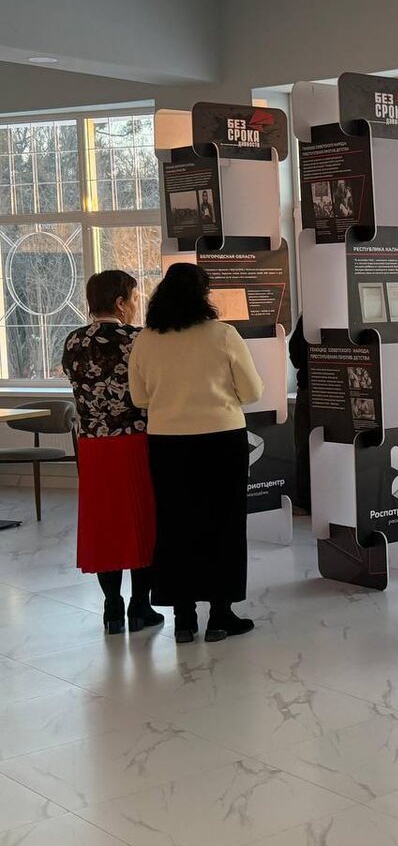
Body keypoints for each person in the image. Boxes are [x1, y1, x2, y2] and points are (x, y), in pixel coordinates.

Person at [129, 263, 264, 644]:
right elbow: (253, 392)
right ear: (204, 295)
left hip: (167, 442)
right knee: (224, 524)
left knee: (175, 525)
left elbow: (139, 397)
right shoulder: (223, 334)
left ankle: (184, 620)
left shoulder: (146, 339)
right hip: (221, 439)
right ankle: (220, 616)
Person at [61, 271, 162, 635]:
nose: (135, 305)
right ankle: (140, 605)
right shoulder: (138, 339)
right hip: (135, 441)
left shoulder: (73, 341)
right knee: (142, 521)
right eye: (133, 299)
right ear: (120, 303)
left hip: (92, 445)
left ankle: (112, 606)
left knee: (104, 524)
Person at [287, 316, 311, 515]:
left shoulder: (310, 316)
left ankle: (305, 503)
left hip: (310, 390)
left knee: (305, 447)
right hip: (345, 393)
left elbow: (295, 355)